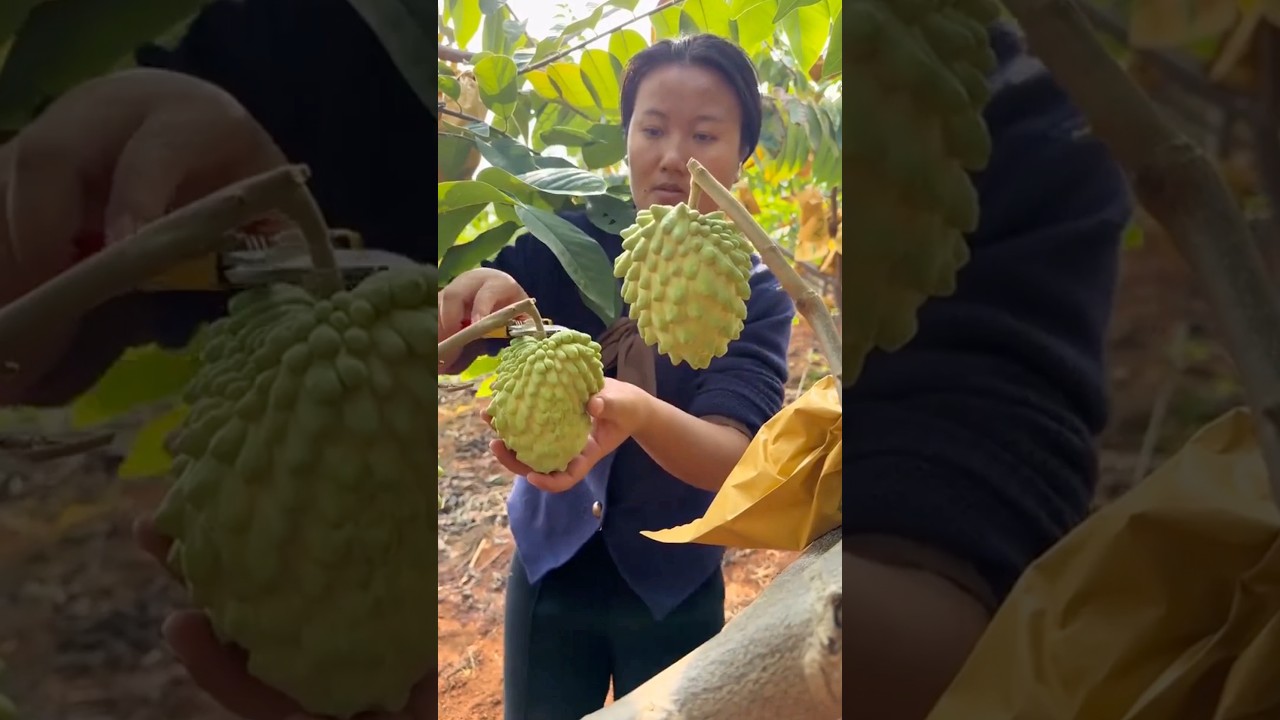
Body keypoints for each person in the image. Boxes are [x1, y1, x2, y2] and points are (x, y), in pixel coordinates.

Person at [0, 1, 1134, 719]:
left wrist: (634, 415)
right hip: (545, 574)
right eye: (651, 128)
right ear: (622, 137)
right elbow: (422, 305)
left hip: (674, 588)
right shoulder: (382, 68)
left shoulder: (1003, 125)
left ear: (752, 150)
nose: (672, 154)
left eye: (705, 136)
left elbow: (942, 566)